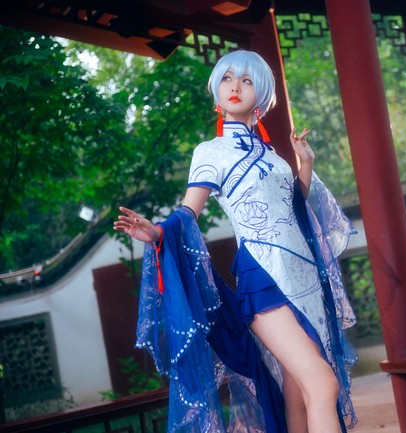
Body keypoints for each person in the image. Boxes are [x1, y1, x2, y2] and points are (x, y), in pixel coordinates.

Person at [114, 50, 358, 433]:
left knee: (297, 393)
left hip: (304, 279)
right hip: (263, 280)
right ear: (216, 91)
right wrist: (158, 233)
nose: (235, 86)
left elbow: (293, 210)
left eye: (246, 80)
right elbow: (188, 211)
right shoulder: (210, 152)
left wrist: (305, 164)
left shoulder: (272, 155)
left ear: (261, 93)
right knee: (323, 384)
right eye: (227, 79)